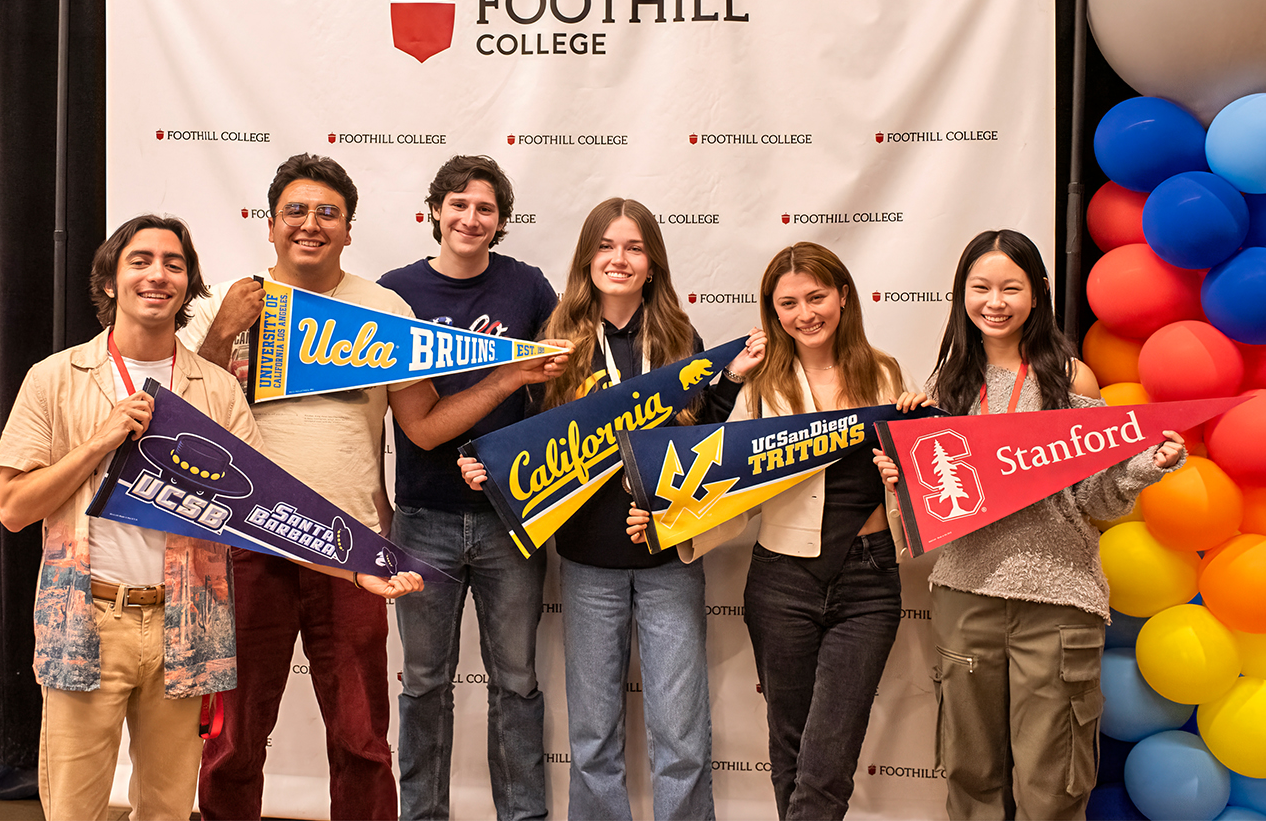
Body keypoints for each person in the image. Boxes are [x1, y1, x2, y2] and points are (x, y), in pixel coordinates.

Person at [0, 215, 423, 821]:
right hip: (87, 621)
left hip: (186, 628)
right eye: (139, 261)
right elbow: (14, 509)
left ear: (188, 285)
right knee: (73, 811)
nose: (157, 275)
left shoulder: (217, 390)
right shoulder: (56, 377)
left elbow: (264, 514)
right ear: (111, 281)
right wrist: (97, 444)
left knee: (168, 810)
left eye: (173, 264)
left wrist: (354, 570)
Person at [181, 153, 561, 821]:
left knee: (361, 739)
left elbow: (422, 427)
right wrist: (219, 335)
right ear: (270, 225)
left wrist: (506, 379)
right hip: (245, 545)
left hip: (348, 548)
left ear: (349, 230)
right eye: (295, 211)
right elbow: (179, 423)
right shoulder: (223, 305)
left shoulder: (383, 308)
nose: (310, 224)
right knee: (234, 739)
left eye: (327, 213)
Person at [461, 198, 765, 820]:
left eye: (633, 247)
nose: (618, 259)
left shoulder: (682, 338)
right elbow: (527, 438)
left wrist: (729, 382)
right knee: (593, 736)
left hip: (668, 559)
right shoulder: (555, 345)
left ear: (651, 262)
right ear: (587, 259)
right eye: (605, 246)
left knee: (680, 735)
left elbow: (699, 443)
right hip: (587, 562)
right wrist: (484, 465)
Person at [877, 229, 1186, 820]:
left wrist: (1146, 468)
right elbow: (936, 507)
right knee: (971, 776)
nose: (995, 302)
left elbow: (1098, 500)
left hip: (1059, 601)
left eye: (1010, 288)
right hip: (967, 595)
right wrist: (901, 475)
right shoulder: (945, 387)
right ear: (961, 294)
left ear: (1038, 293)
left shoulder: (1072, 381)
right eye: (981, 287)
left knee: (1054, 786)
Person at [640, 241, 907, 821]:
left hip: (870, 578)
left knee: (827, 756)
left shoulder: (885, 372)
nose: (805, 313)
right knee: (790, 744)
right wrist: (667, 523)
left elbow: (912, 480)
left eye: (816, 297)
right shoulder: (761, 385)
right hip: (781, 580)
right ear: (772, 311)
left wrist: (906, 464)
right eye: (788, 303)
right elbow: (727, 483)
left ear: (843, 296)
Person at [377, 155, 560, 821]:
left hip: (511, 519)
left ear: (500, 223)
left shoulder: (530, 289)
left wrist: (518, 466)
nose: (470, 218)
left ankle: (524, 815)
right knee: (424, 684)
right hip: (423, 516)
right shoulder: (393, 294)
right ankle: (422, 814)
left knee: (516, 682)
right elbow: (406, 423)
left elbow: (558, 393)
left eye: (485, 209)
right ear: (434, 212)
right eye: (458, 204)